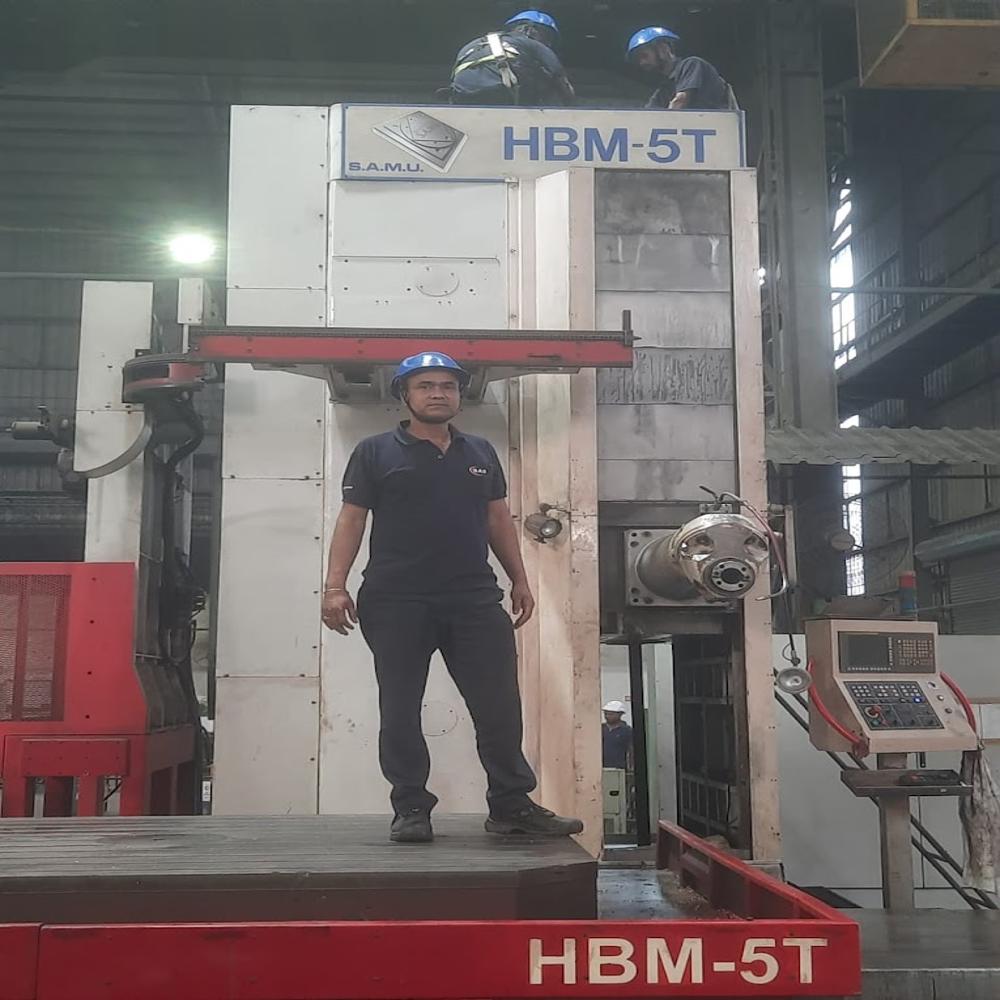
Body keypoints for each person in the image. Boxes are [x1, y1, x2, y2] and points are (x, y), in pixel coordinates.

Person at [322, 351, 584, 845]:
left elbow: (497, 519)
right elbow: (351, 519)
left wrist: (520, 579)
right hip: (396, 600)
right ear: (405, 395)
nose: (438, 393)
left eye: (447, 386)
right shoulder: (375, 452)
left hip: (473, 599)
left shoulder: (479, 453)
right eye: (425, 386)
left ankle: (510, 804)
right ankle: (410, 808)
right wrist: (335, 587)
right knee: (400, 706)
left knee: (499, 706)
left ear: (459, 395)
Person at [449, 10, 575, 107]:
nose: (548, 44)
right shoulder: (532, 44)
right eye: (547, 37)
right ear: (529, 30)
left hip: (461, 97)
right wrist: (572, 112)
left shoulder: (472, 45)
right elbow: (561, 80)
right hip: (500, 94)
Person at [626, 26, 734, 111]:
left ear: (663, 49)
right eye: (638, 59)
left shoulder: (692, 65)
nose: (642, 63)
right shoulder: (664, 89)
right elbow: (648, 114)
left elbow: (680, 101)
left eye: (644, 56)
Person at [602, 700, 633, 770]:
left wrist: (631, 768)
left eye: (611, 714)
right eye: (606, 714)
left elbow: (631, 750)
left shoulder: (627, 731)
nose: (607, 716)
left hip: (619, 768)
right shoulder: (600, 729)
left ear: (620, 714)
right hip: (600, 768)